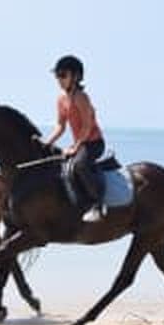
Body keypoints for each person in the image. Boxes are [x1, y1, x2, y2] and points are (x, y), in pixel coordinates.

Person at [43, 55, 107, 223]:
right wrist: (47, 142)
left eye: (63, 75)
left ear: (76, 76)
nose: (59, 80)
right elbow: (60, 126)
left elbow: (87, 126)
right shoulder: (61, 99)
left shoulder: (81, 97)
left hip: (93, 143)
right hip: (80, 142)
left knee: (79, 165)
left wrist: (75, 147)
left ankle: (97, 205)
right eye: (57, 76)